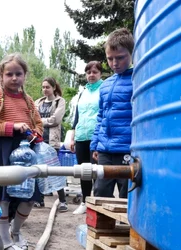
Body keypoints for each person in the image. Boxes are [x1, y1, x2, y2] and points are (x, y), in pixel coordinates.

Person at [0, 53, 43, 250]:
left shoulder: (28, 100)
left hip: (26, 151)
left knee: (29, 197)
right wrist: (13, 127)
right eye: (9, 74)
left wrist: (36, 134)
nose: (14, 78)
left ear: (25, 75)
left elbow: (38, 124)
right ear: (1, 75)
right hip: (3, 149)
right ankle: (6, 242)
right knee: (4, 198)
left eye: (19, 73)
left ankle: (15, 231)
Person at [90, 28, 134, 199]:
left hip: (126, 148)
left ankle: (125, 227)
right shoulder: (106, 84)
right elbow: (101, 115)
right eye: (110, 58)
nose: (114, 63)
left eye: (120, 57)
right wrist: (95, 143)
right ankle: (101, 226)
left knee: (126, 195)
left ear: (131, 54)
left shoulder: (137, 80)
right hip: (105, 149)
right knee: (100, 191)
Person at [70, 61, 104, 215]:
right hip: (81, 136)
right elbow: (77, 116)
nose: (91, 75)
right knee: (84, 171)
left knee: (96, 171)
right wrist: (72, 137)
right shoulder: (82, 92)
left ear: (100, 74)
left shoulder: (104, 89)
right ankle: (84, 201)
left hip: (96, 137)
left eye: (95, 72)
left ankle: (96, 202)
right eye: (88, 72)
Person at [34, 77, 68, 212]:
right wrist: (40, 121)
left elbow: (56, 120)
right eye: (43, 87)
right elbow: (32, 119)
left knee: (54, 170)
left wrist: (39, 121)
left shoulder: (60, 101)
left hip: (52, 141)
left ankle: (63, 200)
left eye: (47, 87)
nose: (45, 90)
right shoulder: (38, 102)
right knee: (39, 171)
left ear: (54, 88)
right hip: (38, 140)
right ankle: (39, 199)